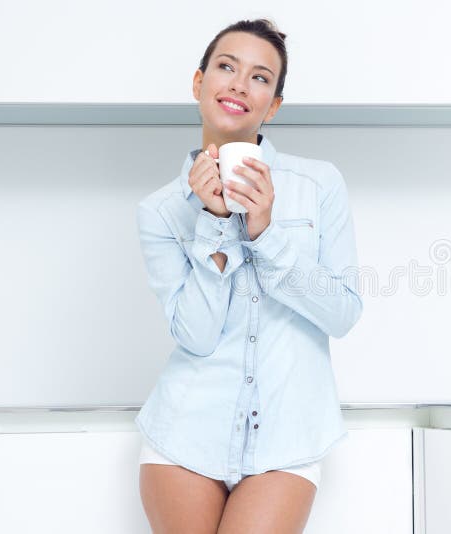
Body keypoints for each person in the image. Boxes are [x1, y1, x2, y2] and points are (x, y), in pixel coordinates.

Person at [135, 18, 362, 533]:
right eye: (226, 67)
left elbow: (343, 313)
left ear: (273, 106)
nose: (239, 84)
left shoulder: (318, 184)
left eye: (260, 77)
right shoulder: (162, 211)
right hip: (183, 436)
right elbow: (195, 334)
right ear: (199, 83)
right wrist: (213, 225)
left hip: (287, 438)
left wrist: (264, 234)